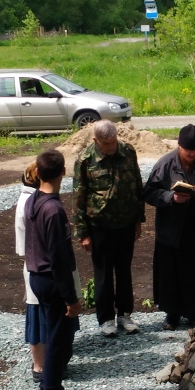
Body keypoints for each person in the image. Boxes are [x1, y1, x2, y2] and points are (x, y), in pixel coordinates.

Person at [143, 125, 195, 330]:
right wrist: (171, 197)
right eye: (188, 150)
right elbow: (149, 193)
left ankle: (193, 312)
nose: (192, 154)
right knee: (170, 272)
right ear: (179, 146)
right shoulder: (165, 164)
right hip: (171, 229)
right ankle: (171, 314)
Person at [25, 149, 87, 390]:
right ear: (64, 172)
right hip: (52, 280)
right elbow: (59, 258)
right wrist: (70, 297)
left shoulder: (33, 201)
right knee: (59, 341)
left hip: (36, 277)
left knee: (52, 336)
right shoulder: (54, 210)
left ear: (37, 172)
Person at [73, 120, 146, 338]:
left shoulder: (127, 151)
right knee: (103, 274)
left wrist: (138, 220)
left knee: (124, 271)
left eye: (113, 141)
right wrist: (83, 233)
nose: (111, 146)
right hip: (100, 226)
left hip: (125, 223)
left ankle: (125, 314)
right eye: (106, 143)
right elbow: (78, 196)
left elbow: (137, 184)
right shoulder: (85, 159)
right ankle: (105, 319)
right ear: (96, 141)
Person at [14, 162, 45, 384]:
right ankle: (41, 366)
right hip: (40, 267)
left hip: (34, 265)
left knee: (39, 315)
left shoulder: (28, 198)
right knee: (40, 316)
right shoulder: (33, 202)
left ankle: (42, 364)